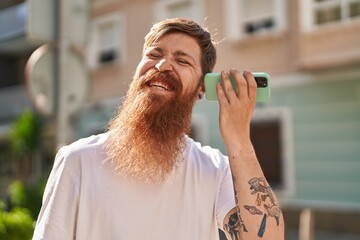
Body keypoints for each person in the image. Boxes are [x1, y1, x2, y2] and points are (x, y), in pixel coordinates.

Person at [33, 18, 284, 240]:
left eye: (182, 60)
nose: (162, 65)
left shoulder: (215, 170)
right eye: (154, 54)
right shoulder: (77, 161)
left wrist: (239, 139)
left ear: (201, 89)